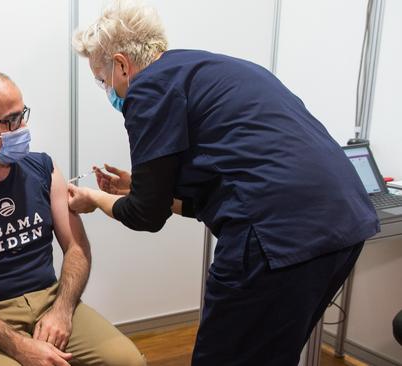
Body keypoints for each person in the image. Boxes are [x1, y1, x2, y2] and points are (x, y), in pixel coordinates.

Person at [68, 1, 379, 365]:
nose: (106, 88)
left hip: (277, 237)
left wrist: (94, 198)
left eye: (102, 79)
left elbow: (146, 215)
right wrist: (142, 187)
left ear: (121, 64)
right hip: (343, 222)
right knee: (269, 355)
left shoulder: (149, 87)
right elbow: (225, 185)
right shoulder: (210, 68)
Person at [0, 69, 145, 366]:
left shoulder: (42, 169)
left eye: (22, 114)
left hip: (50, 299)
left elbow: (77, 248)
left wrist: (62, 310)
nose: (23, 127)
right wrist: (18, 346)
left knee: (128, 361)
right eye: (10, 121)